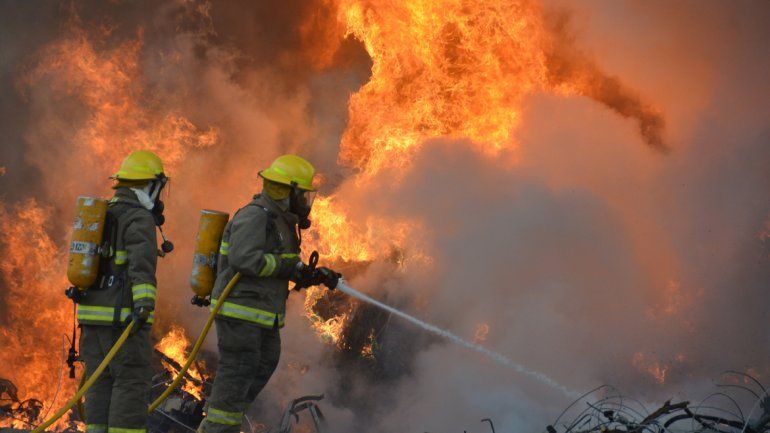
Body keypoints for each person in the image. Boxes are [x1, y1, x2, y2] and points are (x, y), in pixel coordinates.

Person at [198, 154, 339, 433]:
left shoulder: (280, 222)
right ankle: (219, 426)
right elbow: (244, 259)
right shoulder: (255, 216)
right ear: (285, 191)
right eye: (302, 195)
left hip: (263, 316)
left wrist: (307, 274)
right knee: (237, 374)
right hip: (241, 314)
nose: (305, 202)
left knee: (263, 363)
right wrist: (288, 266)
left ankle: (224, 419)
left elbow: (277, 265)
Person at [75, 150, 169, 433]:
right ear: (148, 185)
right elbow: (141, 268)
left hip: (91, 320)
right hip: (123, 321)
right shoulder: (139, 218)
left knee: (99, 382)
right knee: (130, 382)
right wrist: (144, 307)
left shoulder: (101, 214)